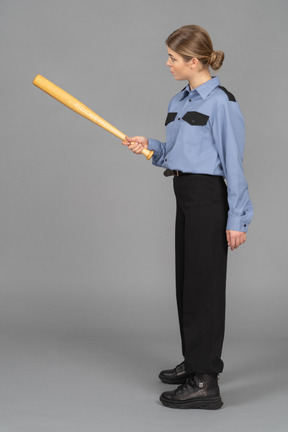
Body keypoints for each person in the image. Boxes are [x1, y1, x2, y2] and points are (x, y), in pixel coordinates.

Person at [122, 25, 253, 410]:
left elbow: (233, 164)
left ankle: (205, 381)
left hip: (210, 200)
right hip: (185, 194)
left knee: (205, 287)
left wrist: (237, 218)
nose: (168, 64)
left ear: (194, 61)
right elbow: (178, 155)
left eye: (173, 58)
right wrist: (151, 146)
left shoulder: (221, 103)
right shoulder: (180, 101)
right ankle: (195, 362)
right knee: (188, 283)